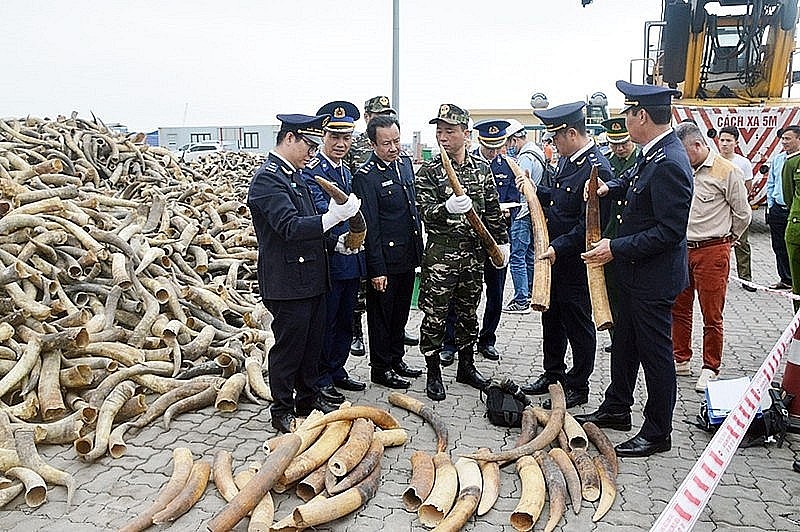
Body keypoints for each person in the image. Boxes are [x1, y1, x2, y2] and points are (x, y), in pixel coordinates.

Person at [578, 81, 693, 457]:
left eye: (628, 113)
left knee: (655, 354)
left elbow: (669, 232)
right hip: (633, 273)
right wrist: (607, 188)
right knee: (624, 345)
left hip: (652, 279)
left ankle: (658, 431)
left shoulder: (671, 162)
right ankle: (617, 406)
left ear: (642, 116)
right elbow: (631, 181)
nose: (625, 119)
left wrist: (615, 246)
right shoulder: (652, 153)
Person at [248, 113, 361, 434]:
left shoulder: (294, 175)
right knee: (289, 348)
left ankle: (308, 399)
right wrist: (333, 217)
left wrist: (336, 242)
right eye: (309, 144)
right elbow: (289, 227)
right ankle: (282, 408)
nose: (312, 152)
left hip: (312, 277)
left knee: (312, 345)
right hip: (287, 282)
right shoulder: (268, 179)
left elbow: (310, 223)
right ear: (290, 139)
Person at [520, 102, 613, 410]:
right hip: (556, 257)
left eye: (556, 138)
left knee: (577, 323)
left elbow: (587, 225)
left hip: (576, 261)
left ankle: (579, 384)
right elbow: (560, 200)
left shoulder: (595, 168)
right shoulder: (569, 162)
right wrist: (535, 190)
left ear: (571, 134)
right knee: (553, 319)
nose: (553, 144)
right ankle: (553, 373)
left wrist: (558, 248)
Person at [416, 103, 509, 401]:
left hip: (473, 256)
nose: (443, 137)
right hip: (442, 255)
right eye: (439, 131)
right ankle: (433, 371)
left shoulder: (481, 169)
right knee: (435, 314)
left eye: (450, 131)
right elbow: (425, 212)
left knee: (469, 311)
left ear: (465, 134)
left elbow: (492, 209)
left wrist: (502, 242)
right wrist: (445, 209)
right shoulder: (430, 171)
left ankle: (466, 365)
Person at [673, 122, 751, 392]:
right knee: (679, 308)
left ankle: (710, 367)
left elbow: (743, 214)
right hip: (683, 248)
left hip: (713, 250)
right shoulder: (684, 169)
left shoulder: (726, 170)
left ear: (697, 145)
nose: (682, 157)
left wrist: (728, 242)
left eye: (685, 152)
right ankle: (681, 358)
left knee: (711, 313)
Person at [352, 114, 425, 389]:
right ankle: (380, 368)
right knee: (381, 316)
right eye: (386, 144)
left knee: (400, 313)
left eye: (396, 141)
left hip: (407, 255)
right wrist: (376, 268)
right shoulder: (366, 176)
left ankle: (397, 359)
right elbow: (370, 227)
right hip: (385, 258)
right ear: (373, 144)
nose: (393, 148)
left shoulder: (405, 165)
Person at [302, 101, 367, 405]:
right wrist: (341, 240)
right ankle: (321, 377)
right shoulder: (313, 173)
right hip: (328, 259)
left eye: (347, 138)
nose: (341, 144)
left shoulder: (347, 171)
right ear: (323, 138)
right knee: (326, 322)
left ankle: (337, 369)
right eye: (334, 137)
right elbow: (318, 212)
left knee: (345, 318)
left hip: (351, 260)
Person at [442, 119, 516, 362]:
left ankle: (487, 339)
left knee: (495, 294)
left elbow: (512, 200)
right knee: (459, 296)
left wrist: (505, 229)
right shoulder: (465, 164)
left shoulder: (509, 166)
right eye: (488, 146)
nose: (493, 151)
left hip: (496, 239)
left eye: (497, 146)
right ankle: (451, 342)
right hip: (470, 244)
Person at [601, 117, 639, 353]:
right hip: (611, 234)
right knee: (612, 290)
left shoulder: (641, 160)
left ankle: (630, 338)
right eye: (614, 144)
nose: (619, 148)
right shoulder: (607, 163)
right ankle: (617, 338)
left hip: (632, 236)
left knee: (631, 294)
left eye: (623, 143)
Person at [502, 119, 547, 314]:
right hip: (532, 210)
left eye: (508, 142)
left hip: (523, 211)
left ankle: (521, 298)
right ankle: (528, 292)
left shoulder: (526, 157)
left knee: (517, 255)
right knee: (528, 254)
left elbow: (523, 185)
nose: (508, 147)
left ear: (514, 139)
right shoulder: (536, 152)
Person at [717, 126, 755, 291]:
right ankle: (720, 277)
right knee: (718, 246)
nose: (724, 144)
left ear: (736, 143)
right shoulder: (713, 160)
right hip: (718, 211)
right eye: (722, 140)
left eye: (728, 141)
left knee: (742, 244)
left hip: (737, 209)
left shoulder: (743, 163)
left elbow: (748, 186)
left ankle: (745, 279)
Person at [765, 144, 792, 289]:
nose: (784, 142)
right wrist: (771, 205)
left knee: (794, 246)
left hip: (794, 211)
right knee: (779, 245)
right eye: (783, 139)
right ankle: (785, 279)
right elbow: (771, 182)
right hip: (777, 209)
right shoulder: (777, 159)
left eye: (788, 138)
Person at [781, 124, 800, 311]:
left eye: (789, 138)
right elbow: (788, 195)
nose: (784, 142)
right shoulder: (791, 162)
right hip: (797, 226)